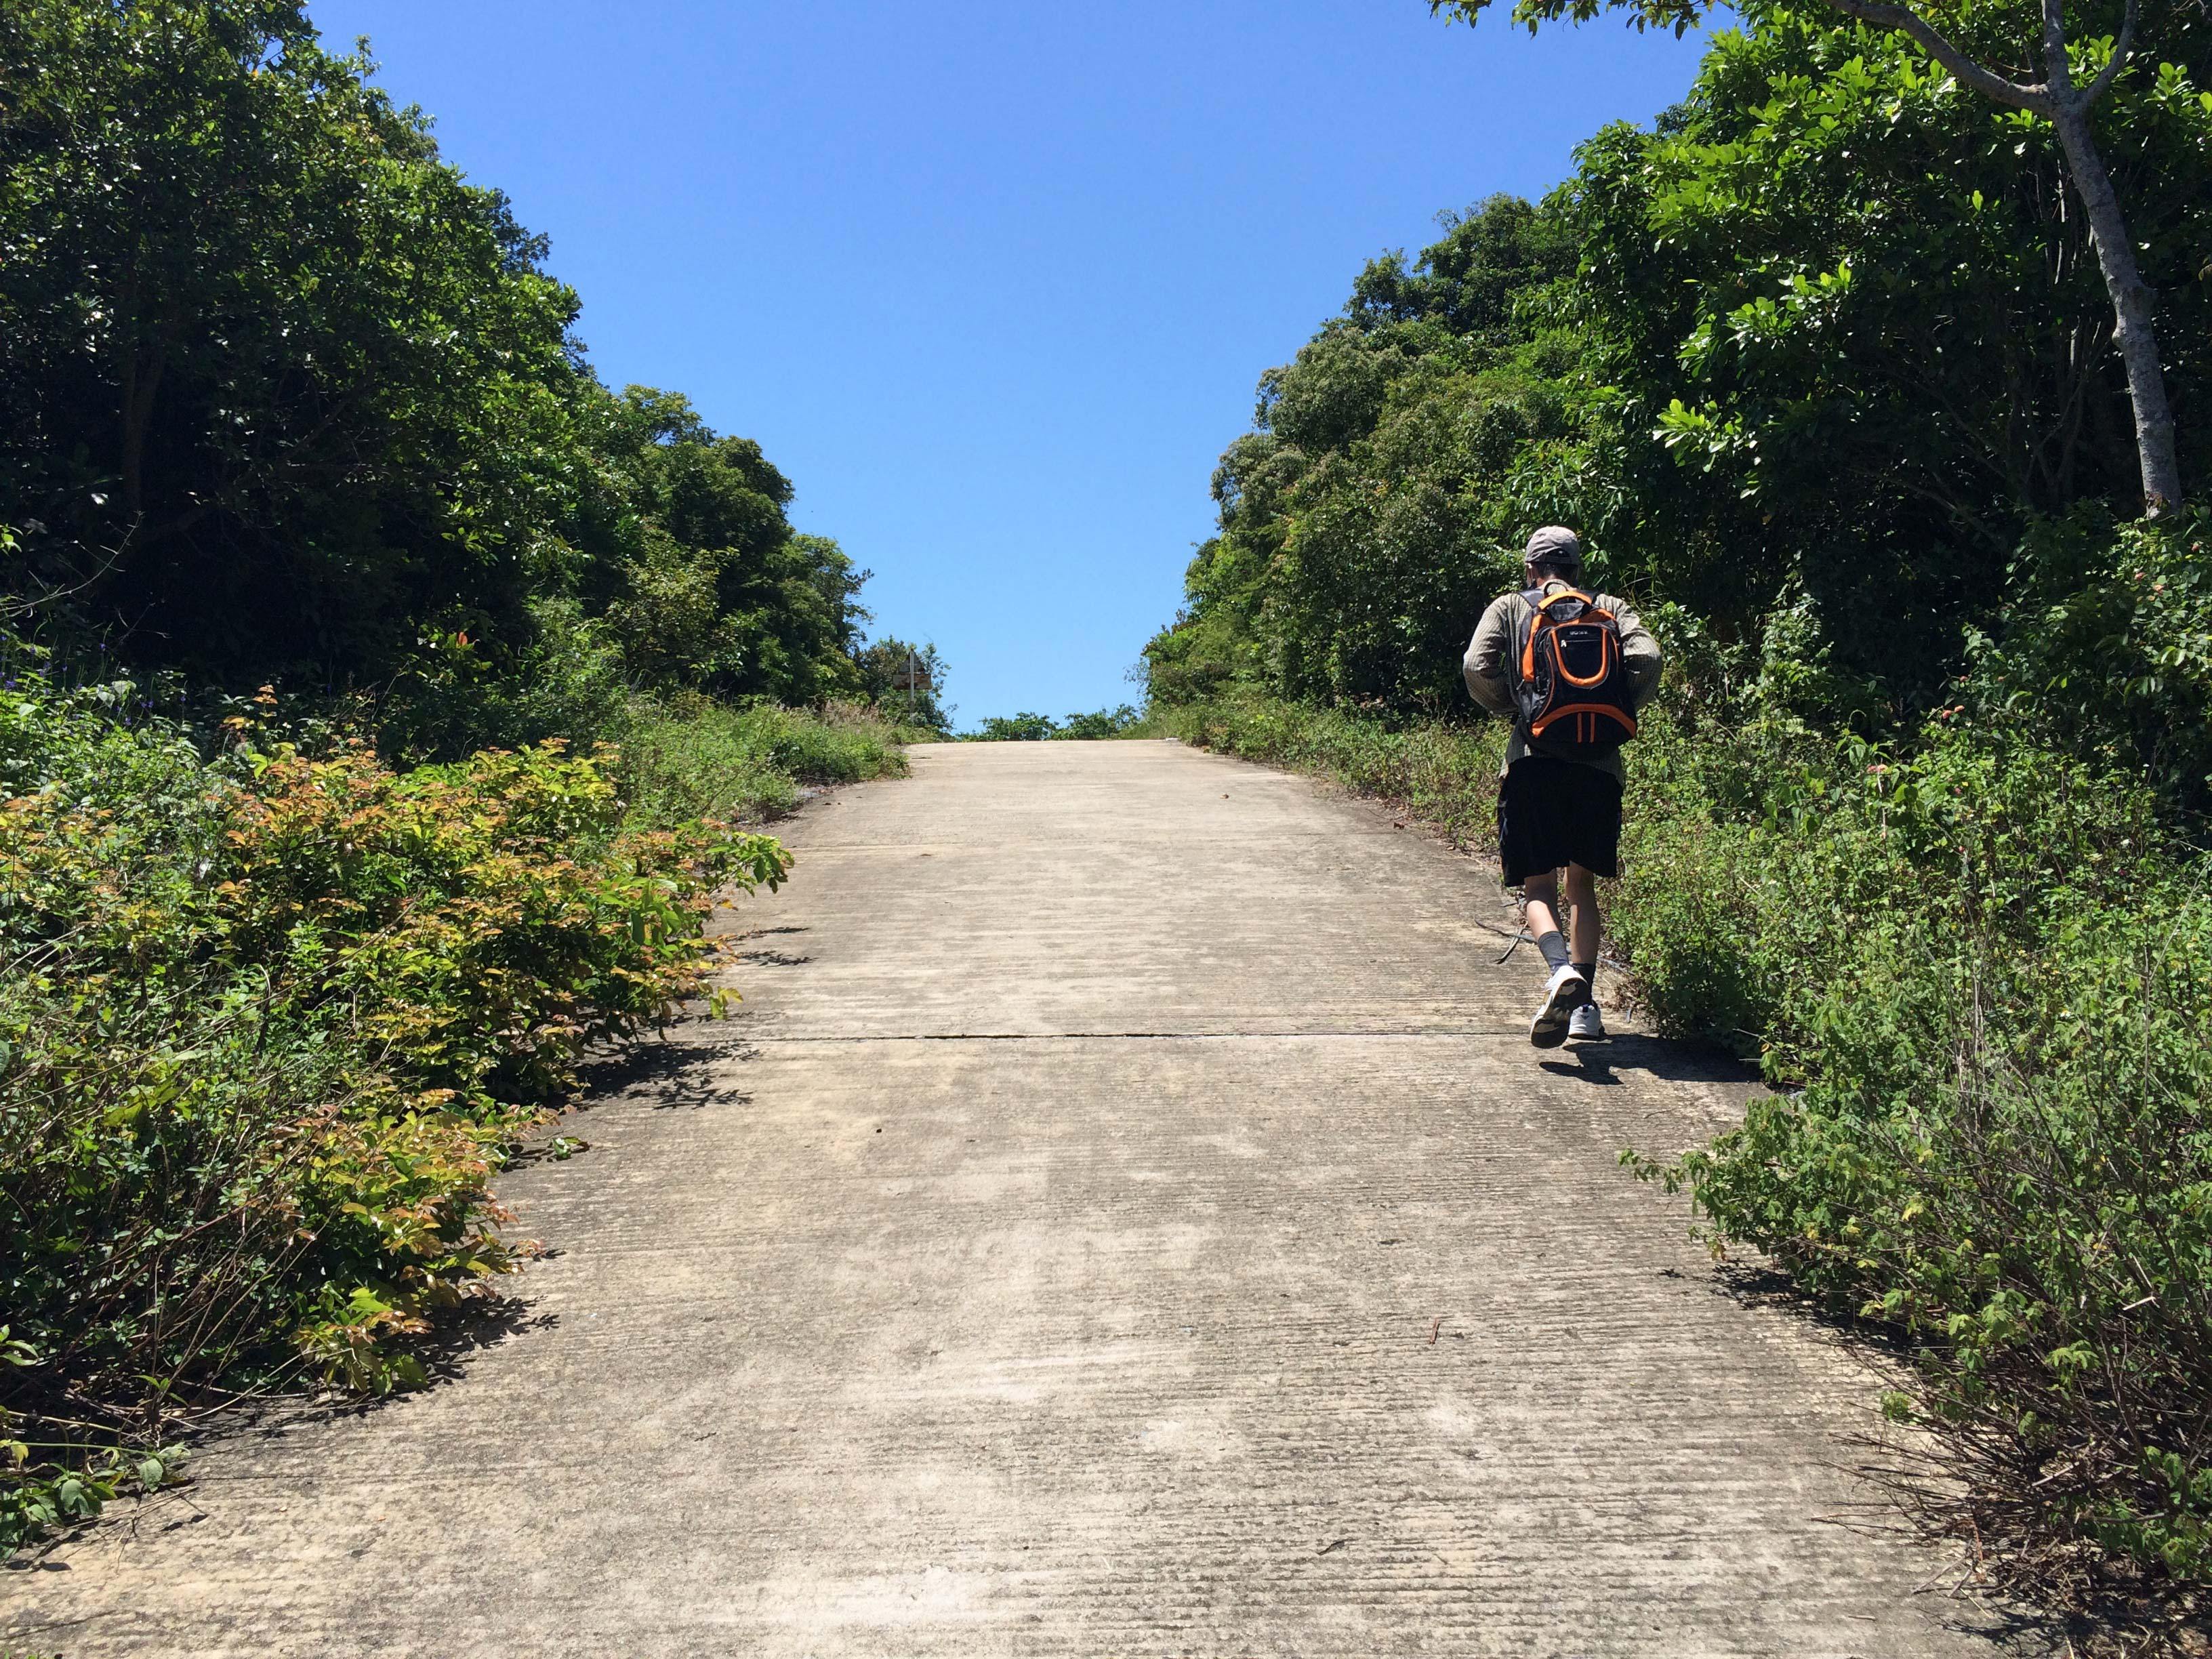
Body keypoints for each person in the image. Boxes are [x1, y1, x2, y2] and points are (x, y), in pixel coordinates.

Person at [1462, 526, 1662, 1047]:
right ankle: (1586, 1010)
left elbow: (1474, 666)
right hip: (1599, 767)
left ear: (1531, 568)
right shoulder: (1610, 606)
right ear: (1576, 568)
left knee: (1537, 888)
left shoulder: (1511, 606)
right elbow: (1648, 660)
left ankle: (1558, 972)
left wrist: (1520, 708)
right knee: (1582, 889)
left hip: (1533, 761)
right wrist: (1617, 710)